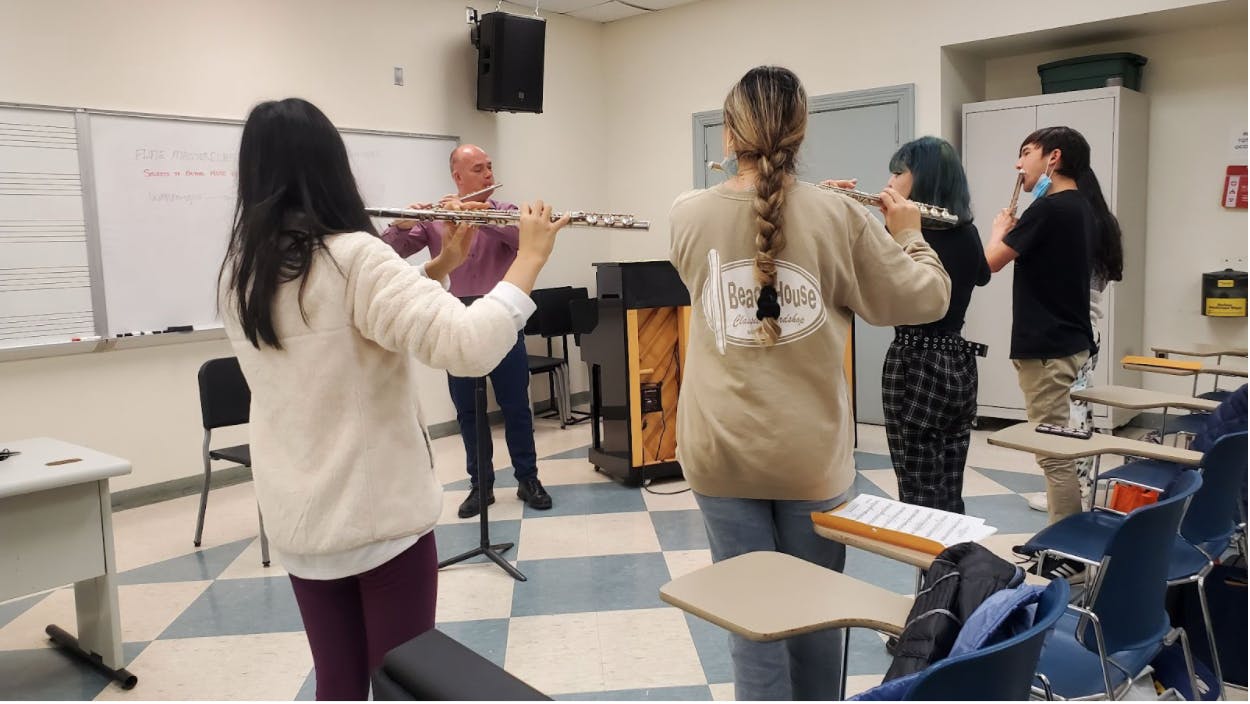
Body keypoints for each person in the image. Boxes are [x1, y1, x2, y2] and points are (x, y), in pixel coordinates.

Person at [217, 98, 567, 700]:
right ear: (332, 167)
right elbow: (468, 345)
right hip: (377, 517)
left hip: (302, 522)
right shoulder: (354, 256)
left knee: (339, 683)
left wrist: (442, 265)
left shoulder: (240, 272)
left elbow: (349, 325)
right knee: (407, 681)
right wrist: (531, 255)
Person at [669, 66, 951, 701]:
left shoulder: (686, 214)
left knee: (752, 622)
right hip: (809, 457)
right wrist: (907, 235)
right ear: (801, 132)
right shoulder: (840, 217)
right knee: (817, 616)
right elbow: (925, 299)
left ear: (729, 134)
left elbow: (735, 227)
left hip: (720, 452)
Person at [381, 144, 553, 518]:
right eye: (478, 169)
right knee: (468, 411)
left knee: (516, 406)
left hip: (503, 316)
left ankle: (528, 478)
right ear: (458, 177)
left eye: (490, 167)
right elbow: (387, 257)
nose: (488, 174)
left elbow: (526, 243)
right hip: (454, 317)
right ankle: (481, 485)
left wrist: (485, 216)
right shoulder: (438, 217)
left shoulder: (508, 213)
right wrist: (402, 224)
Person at [828, 136, 989, 515]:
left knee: (917, 490)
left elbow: (859, 281)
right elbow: (981, 275)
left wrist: (846, 214)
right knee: (950, 486)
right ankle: (958, 565)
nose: (889, 180)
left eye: (899, 172)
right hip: (959, 365)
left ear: (924, 179)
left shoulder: (906, 237)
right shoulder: (966, 230)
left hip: (914, 362)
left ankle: (933, 570)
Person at [986, 126, 1107, 524]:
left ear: (1052, 158)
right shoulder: (1081, 208)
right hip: (1067, 342)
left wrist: (999, 231)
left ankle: (1064, 553)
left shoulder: (1049, 208)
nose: (1018, 164)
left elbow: (988, 263)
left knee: (1054, 456)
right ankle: (1066, 543)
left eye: (1025, 153)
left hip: (1048, 348)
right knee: (1058, 448)